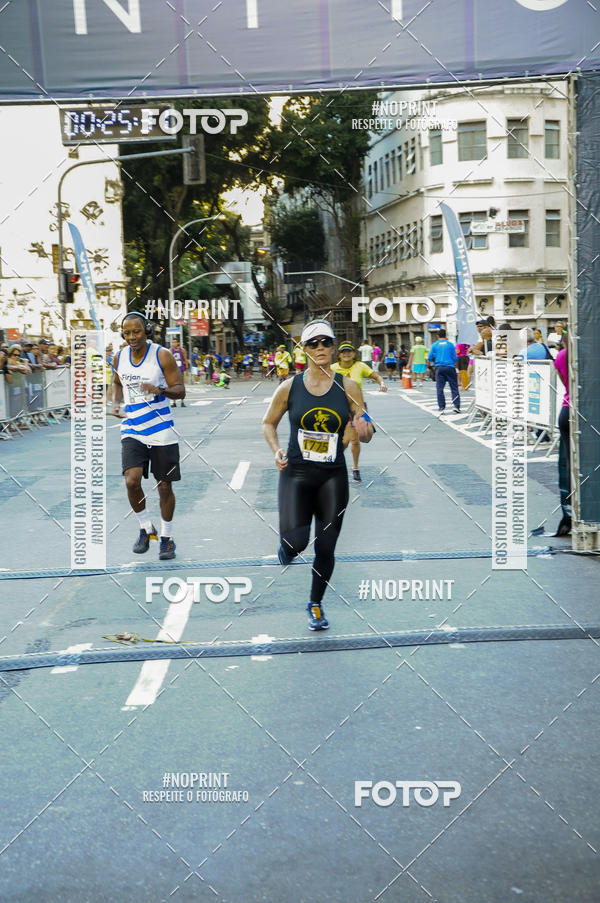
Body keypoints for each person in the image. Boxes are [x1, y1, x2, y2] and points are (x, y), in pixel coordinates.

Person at [262, 319, 374, 630]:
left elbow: (365, 429)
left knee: (325, 547)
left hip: (332, 477)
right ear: (304, 349)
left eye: (326, 342)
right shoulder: (290, 387)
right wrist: (275, 450)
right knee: (296, 542)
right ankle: (288, 547)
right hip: (296, 474)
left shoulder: (348, 386)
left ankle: (315, 603)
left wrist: (364, 430)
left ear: (333, 347)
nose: (321, 348)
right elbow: (268, 422)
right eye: (313, 343)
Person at [112, 313, 185, 560]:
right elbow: (117, 382)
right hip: (132, 428)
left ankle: (166, 537)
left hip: (161, 429)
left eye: (137, 332)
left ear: (147, 331)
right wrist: (115, 403)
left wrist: (159, 389)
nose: (132, 337)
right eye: (127, 332)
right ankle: (146, 528)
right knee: (131, 481)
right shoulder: (119, 356)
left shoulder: (161, 355)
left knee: (164, 486)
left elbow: (180, 390)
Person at [331, 340, 387, 482]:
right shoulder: (332, 368)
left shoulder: (360, 366)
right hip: (338, 408)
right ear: (339, 355)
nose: (347, 354)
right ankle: (337, 464)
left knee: (357, 440)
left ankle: (353, 467)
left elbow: (375, 375)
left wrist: (382, 383)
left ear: (354, 353)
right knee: (345, 441)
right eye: (343, 351)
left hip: (357, 408)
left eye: (349, 351)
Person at [554, 343, 571, 536]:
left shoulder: (562, 355)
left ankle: (569, 514)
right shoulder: (589, 353)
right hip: (587, 410)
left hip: (566, 409)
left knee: (568, 465)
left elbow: (565, 383)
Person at [428, 328, 460, 414]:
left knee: (439, 388)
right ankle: (456, 406)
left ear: (437, 336)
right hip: (450, 367)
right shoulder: (450, 345)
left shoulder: (434, 345)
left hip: (439, 368)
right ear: (446, 335)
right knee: (454, 387)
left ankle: (441, 407)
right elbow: (455, 358)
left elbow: (429, 357)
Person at [169, 338, 187, 406]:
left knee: (182, 386)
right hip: (173, 370)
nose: (174, 344)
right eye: (173, 342)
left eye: (175, 342)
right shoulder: (170, 350)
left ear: (178, 343)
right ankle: (174, 402)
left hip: (181, 370)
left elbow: (185, 359)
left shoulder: (182, 350)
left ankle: (182, 402)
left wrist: (187, 369)